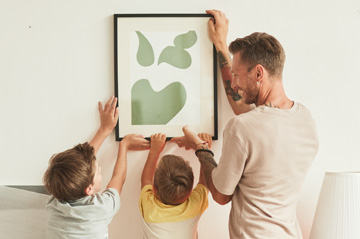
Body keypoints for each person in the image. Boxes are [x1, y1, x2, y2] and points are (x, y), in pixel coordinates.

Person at [171, 10, 319, 239]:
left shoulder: (241, 128)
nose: (236, 83)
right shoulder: (305, 120)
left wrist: (201, 148)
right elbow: (246, 109)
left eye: (238, 76)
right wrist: (220, 44)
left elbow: (221, 195)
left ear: (259, 73)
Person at [43, 96, 150, 239]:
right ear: (89, 189)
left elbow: (83, 163)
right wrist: (124, 146)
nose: (100, 170)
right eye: (99, 171)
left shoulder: (55, 203)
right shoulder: (101, 207)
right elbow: (118, 178)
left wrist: (104, 130)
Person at [139, 133, 211, 239]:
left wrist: (154, 151)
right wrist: (205, 150)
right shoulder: (195, 204)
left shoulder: (149, 207)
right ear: (190, 191)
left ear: (154, 190)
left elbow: (146, 180)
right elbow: (204, 181)